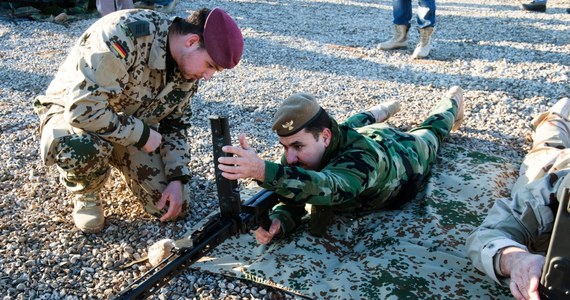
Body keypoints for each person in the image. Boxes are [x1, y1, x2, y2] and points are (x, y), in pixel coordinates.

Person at [33, 7, 244, 233]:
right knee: (82, 147)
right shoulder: (124, 34)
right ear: (192, 41)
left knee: (172, 207)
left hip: (129, 125)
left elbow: (176, 123)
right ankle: (87, 191)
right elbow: (82, 109)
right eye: (210, 65)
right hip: (73, 115)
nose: (207, 76)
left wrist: (177, 177)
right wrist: (141, 135)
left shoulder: (187, 68)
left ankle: (115, 153)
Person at [218, 86, 465, 244]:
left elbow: (329, 187)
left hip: (402, 155)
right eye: (285, 147)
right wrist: (279, 221)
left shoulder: (362, 159)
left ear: (324, 137)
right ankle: (382, 109)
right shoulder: (306, 147)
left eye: (298, 146)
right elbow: (291, 195)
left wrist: (263, 170)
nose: (290, 158)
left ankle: (453, 100)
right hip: (356, 133)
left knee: (432, 131)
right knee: (352, 123)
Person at [466, 98, 570, 300]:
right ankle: (556, 118)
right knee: (549, 144)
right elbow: (487, 235)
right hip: (552, 164)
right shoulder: (549, 194)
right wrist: (517, 260)